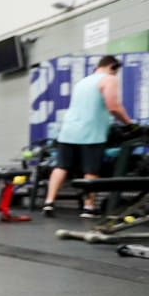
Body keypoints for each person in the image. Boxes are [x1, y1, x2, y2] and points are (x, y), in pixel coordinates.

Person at [44, 55, 133, 217]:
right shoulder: (109, 79)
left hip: (68, 131)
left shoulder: (82, 82)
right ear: (112, 66)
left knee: (61, 167)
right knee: (91, 170)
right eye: (116, 71)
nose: (116, 75)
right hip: (91, 132)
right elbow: (113, 106)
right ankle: (88, 207)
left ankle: (49, 202)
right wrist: (130, 124)